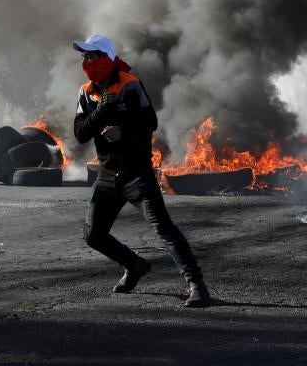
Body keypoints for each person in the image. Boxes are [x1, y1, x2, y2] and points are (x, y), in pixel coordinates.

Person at [72, 34, 211, 308]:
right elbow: (80, 133)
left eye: (91, 55)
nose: (86, 61)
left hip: (137, 174)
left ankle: (197, 286)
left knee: (164, 229)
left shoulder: (130, 85)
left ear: (107, 58)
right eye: (84, 57)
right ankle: (135, 265)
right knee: (93, 235)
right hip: (108, 175)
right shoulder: (86, 92)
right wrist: (100, 111)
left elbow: (150, 123)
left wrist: (122, 132)